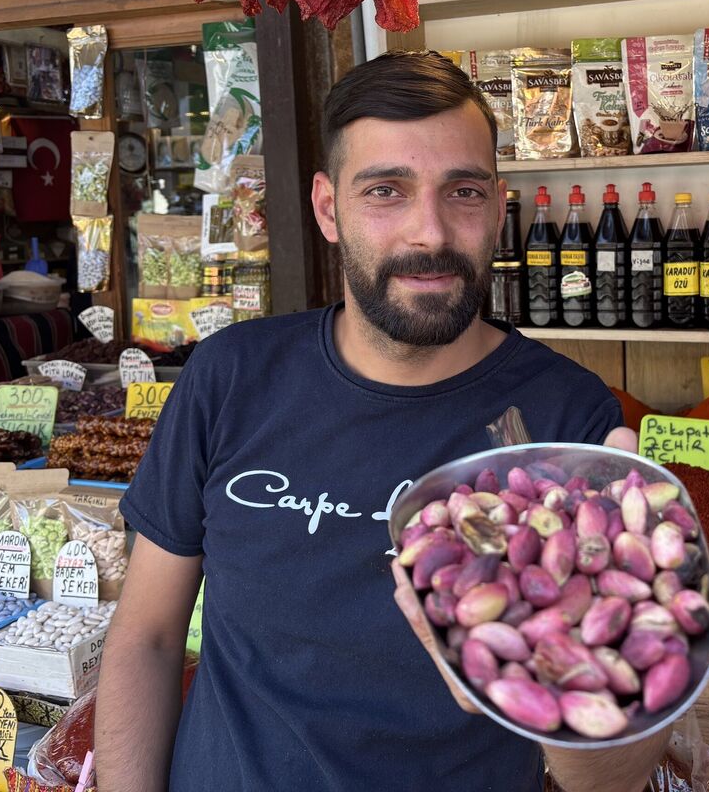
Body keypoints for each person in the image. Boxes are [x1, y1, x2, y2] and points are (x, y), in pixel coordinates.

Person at [95, 51, 668, 791]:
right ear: (328, 208)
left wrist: (556, 682)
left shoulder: (568, 419)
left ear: (498, 208)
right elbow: (146, 637)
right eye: (385, 191)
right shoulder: (230, 376)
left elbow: (612, 779)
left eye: (462, 191)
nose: (429, 232)